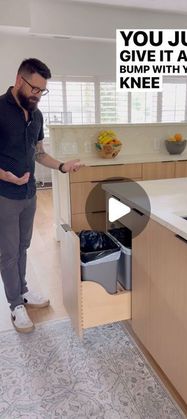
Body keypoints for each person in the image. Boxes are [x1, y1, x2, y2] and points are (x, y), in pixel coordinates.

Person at [0, 58, 83, 333]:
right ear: (19, 80)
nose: (37, 95)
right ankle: (15, 305)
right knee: (8, 253)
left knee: (23, 246)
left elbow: (39, 153)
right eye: (34, 89)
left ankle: (22, 290)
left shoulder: (36, 115)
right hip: (5, 195)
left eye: (42, 91)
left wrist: (61, 166)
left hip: (29, 193)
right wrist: (5, 175)